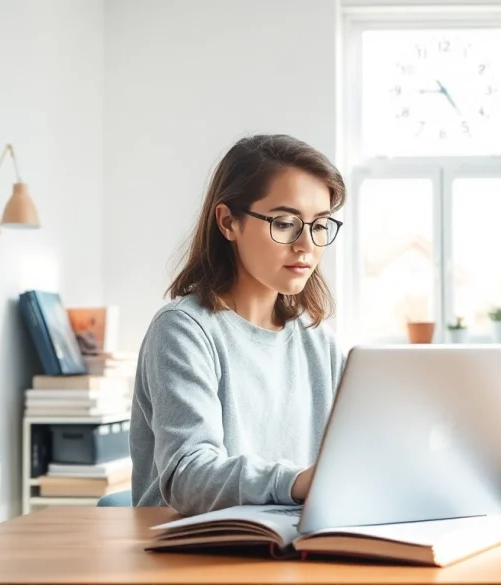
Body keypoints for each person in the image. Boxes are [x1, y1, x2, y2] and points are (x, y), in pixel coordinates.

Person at [129, 134, 347, 515]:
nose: (306, 246)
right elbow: (188, 475)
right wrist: (295, 482)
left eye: (319, 225)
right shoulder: (183, 330)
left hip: (289, 545)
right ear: (229, 222)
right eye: (285, 223)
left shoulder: (319, 343)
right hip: (188, 552)